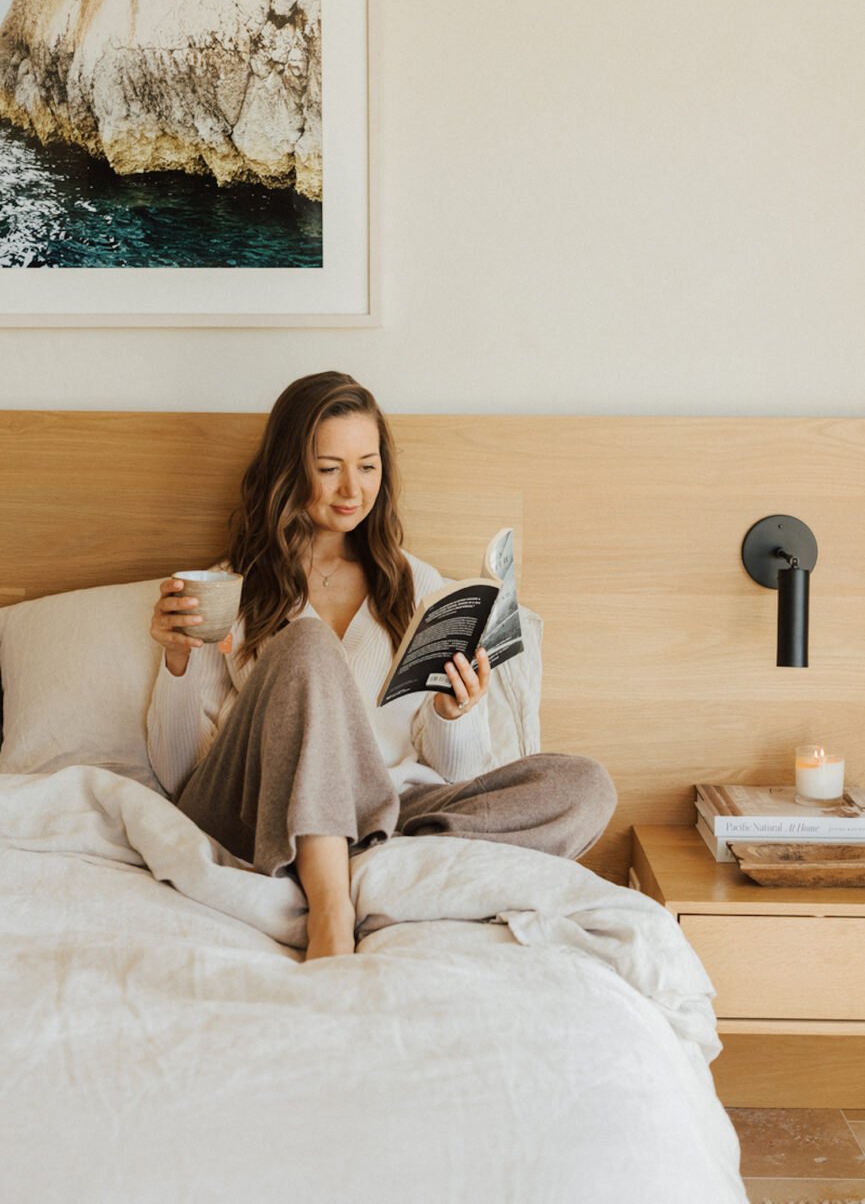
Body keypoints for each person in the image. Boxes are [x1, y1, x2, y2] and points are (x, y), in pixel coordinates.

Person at [147, 372, 616, 960]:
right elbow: (177, 776)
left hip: (386, 810)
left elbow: (453, 774)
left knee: (583, 784)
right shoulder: (231, 589)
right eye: (328, 468)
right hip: (257, 812)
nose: (352, 489)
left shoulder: (415, 585)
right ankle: (332, 911)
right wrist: (177, 661)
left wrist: (455, 710)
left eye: (367, 466)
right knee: (309, 645)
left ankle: (363, 855)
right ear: (289, 472)